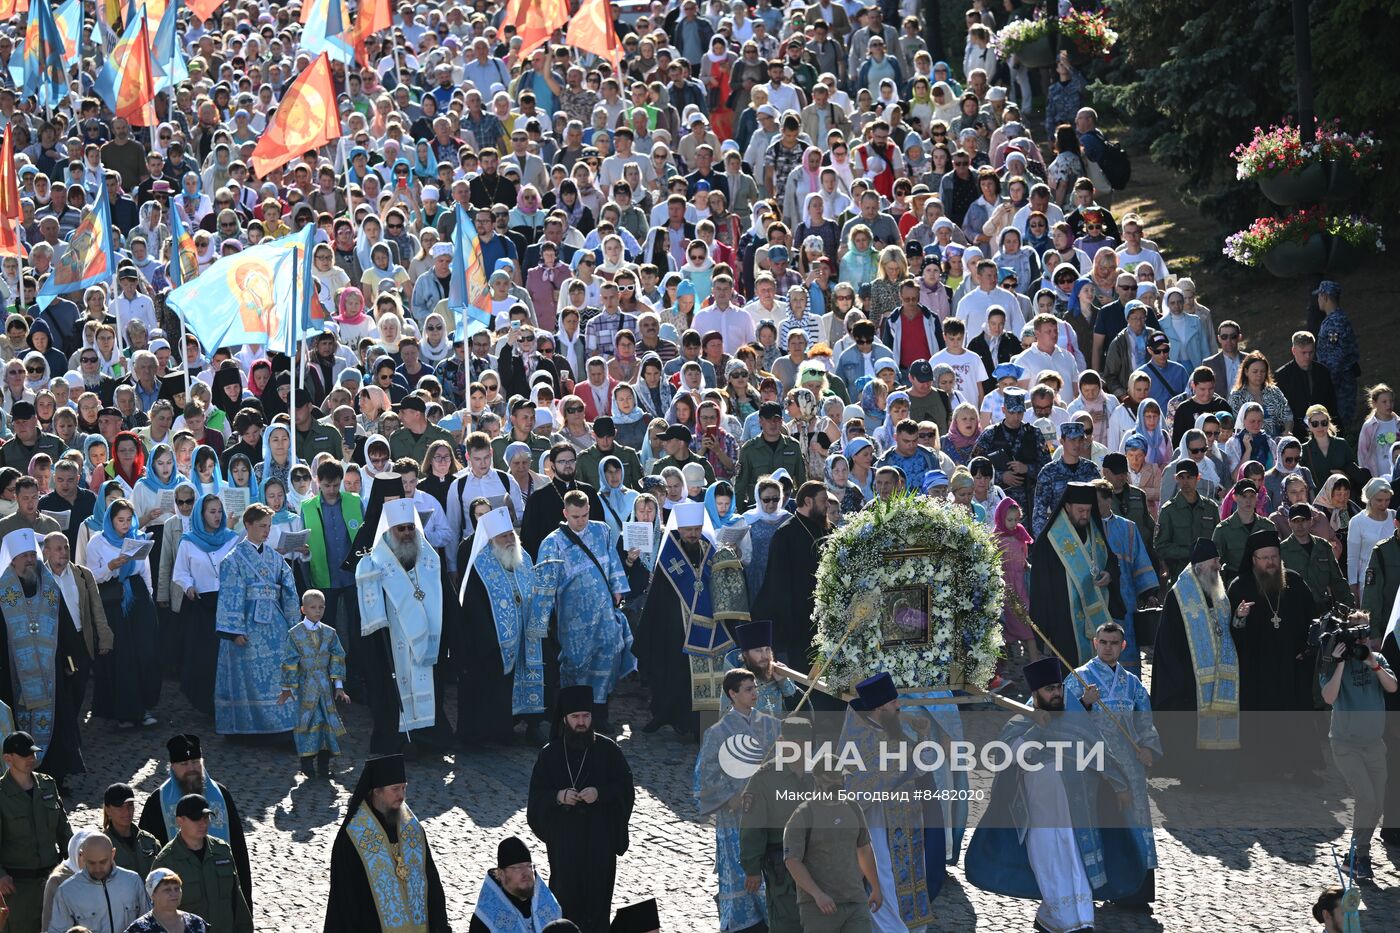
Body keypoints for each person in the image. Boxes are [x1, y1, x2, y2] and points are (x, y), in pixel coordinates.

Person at [965, 657, 1148, 933]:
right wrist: (1037, 726)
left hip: (1079, 811)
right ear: (1036, 694)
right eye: (1050, 689)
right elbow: (1007, 757)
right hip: (1040, 814)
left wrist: (1120, 786)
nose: (1057, 694)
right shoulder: (1020, 722)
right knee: (1049, 863)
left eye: (1059, 688)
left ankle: (1077, 919)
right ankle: (1062, 921)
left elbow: (1100, 752)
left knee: (1077, 863)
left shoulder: (1075, 720)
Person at [837, 672, 948, 933]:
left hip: (908, 821)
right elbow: (857, 784)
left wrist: (922, 736)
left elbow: (921, 767)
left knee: (910, 875)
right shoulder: (861, 739)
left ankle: (910, 927)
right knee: (884, 879)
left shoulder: (893, 731)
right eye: (894, 702)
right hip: (878, 825)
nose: (899, 706)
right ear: (879, 707)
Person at [1063, 621, 1162, 907]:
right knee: (1099, 823)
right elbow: (1062, 724)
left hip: (1130, 768)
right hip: (1093, 768)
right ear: (1095, 643)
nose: (1108, 648)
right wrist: (1083, 703)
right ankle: (1096, 887)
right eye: (1103, 642)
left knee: (1133, 823)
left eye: (1113, 643)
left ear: (1123, 646)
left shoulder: (1132, 683)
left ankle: (1134, 890)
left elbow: (1145, 720)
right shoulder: (1078, 679)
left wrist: (1147, 748)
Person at [526, 686, 636, 933]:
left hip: (601, 840)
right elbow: (536, 797)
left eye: (586, 716)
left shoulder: (608, 750)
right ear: (565, 719)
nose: (581, 722)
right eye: (576, 717)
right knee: (566, 899)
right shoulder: (550, 754)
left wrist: (600, 793)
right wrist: (558, 796)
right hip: (565, 841)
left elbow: (625, 789)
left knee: (598, 901)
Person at [532, 491, 636, 731]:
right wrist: (542, 621)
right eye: (576, 516)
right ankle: (573, 718)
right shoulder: (552, 543)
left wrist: (618, 590)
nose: (581, 520)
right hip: (573, 617)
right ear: (565, 513)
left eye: (585, 515)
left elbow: (613, 562)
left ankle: (600, 715)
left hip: (604, 613)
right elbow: (545, 585)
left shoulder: (602, 531)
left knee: (607, 657)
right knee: (577, 665)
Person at [355, 496, 448, 753]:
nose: (407, 534)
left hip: (427, 638)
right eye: (401, 529)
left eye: (411, 528)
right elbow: (369, 609)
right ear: (389, 531)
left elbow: (443, 600)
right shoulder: (375, 563)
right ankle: (400, 738)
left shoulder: (429, 559)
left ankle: (428, 737)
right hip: (393, 639)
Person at [694, 669, 781, 933]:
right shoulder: (718, 732)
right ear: (732, 694)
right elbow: (704, 778)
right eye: (747, 689)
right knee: (742, 874)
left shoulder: (769, 724)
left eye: (755, 688)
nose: (754, 693)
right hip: (735, 819)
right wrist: (730, 799)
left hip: (768, 816)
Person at [324, 754, 450, 932]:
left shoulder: (412, 829)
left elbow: (432, 880)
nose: (402, 796)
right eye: (395, 789)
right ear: (377, 791)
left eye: (404, 788)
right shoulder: (352, 837)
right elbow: (346, 898)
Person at [1227, 527, 1317, 776]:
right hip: (1257, 668)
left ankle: (1299, 768)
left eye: (1274, 556)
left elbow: (1313, 621)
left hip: (1291, 664)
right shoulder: (1240, 586)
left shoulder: (1295, 583)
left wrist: (1307, 650)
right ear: (1253, 560)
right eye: (1264, 557)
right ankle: (1260, 768)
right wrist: (1239, 617)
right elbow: (1229, 630)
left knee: (1294, 715)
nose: (1270, 562)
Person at [456, 506, 549, 748]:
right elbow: (473, 605)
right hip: (493, 639)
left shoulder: (524, 557)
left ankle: (532, 724)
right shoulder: (479, 564)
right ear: (491, 540)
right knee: (496, 685)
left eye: (511, 534)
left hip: (526, 636)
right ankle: (497, 730)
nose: (509, 540)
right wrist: (489, 637)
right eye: (503, 536)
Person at [0, 529, 86, 787]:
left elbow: (66, 626)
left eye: (31, 555)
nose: (29, 560)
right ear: (12, 560)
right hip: (13, 673)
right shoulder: (3, 591)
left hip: (51, 671)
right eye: (23, 556)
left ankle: (55, 776)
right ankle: (18, 776)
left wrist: (71, 660)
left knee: (58, 722)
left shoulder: (48, 585)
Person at [1150, 539, 1241, 781]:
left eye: (1219, 562)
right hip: (1190, 678)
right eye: (1214, 564)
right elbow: (1168, 642)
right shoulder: (1179, 595)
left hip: (1218, 675)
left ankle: (1218, 773)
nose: (1219, 567)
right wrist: (1181, 676)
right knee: (1191, 730)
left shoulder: (1219, 592)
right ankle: (1192, 774)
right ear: (1200, 567)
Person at [1319, 608, 1396, 879]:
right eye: (1356, 634)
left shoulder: (1378, 659)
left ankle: (1356, 856)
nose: (1362, 639)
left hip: (1374, 744)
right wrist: (1340, 663)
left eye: (1365, 633)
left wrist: (1372, 662)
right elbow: (1329, 697)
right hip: (1345, 744)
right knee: (1366, 798)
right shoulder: (1331, 662)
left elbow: (1392, 686)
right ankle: (1359, 854)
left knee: (1376, 804)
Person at [636, 500, 723, 737]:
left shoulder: (710, 551)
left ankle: (701, 724)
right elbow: (658, 599)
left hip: (707, 627)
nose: (693, 534)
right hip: (675, 630)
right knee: (675, 676)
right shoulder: (669, 555)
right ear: (679, 529)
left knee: (706, 678)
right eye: (688, 530)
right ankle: (670, 716)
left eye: (697, 529)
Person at [137, 734, 252, 905]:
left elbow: (238, 849)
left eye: (196, 762)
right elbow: (148, 856)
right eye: (184, 764)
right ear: (172, 767)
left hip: (221, 893)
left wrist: (245, 900)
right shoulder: (158, 802)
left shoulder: (222, 796)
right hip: (181, 897)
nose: (191, 768)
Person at [214, 503, 298, 736]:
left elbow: (289, 591)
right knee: (247, 676)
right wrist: (234, 630)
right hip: (246, 626)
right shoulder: (233, 559)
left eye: (269, 526)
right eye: (262, 526)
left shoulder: (275, 558)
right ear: (247, 525)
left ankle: (283, 725)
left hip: (276, 626)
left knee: (278, 674)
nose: (267, 531)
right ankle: (247, 728)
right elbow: (231, 593)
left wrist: (294, 625)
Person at [782, 754, 882, 933]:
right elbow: (792, 861)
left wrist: (875, 887)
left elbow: (864, 849)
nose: (838, 783)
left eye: (840, 778)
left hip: (855, 902)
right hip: (819, 908)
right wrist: (817, 895)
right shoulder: (803, 815)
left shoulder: (853, 808)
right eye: (831, 779)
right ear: (816, 780)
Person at [1028, 482, 1123, 666]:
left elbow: (1111, 559)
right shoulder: (1050, 540)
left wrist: (1109, 575)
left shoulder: (1094, 532)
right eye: (1080, 510)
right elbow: (1040, 588)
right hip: (1064, 620)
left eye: (1088, 510)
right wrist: (1044, 628)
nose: (1085, 515)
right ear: (1067, 507)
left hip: (1098, 615)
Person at [0, 730, 73, 933]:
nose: (31, 758)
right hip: (18, 890)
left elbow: (64, 829)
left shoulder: (48, 785)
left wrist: (76, 858)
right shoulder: (1, 794)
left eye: (33, 753)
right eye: (25, 755)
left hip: (52, 881)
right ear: (8, 758)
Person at [149, 792, 253, 933]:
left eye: (206, 817)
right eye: (195, 818)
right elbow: (157, 913)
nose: (203, 823)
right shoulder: (166, 861)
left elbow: (237, 899)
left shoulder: (222, 851)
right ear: (180, 821)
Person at [754, 481, 830, 670]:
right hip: (798, 620)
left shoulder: (828, 530)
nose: (827, 505)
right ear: (808, 501)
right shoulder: (785, 534)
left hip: (826, 616)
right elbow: (777, 584)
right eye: (823, 501)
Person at [278, 589, 351, 780]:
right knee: (309, 723)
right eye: (313, 607)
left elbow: (337, 657)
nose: (317, 611)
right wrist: (287, 688)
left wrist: (339, 687)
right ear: (303, 609)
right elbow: (289, 661)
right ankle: (307, 764)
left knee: (326, 724)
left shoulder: (329, 633)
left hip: (325, 688)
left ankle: (324, 765)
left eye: (321, 607)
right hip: (306, 687)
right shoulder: (295, 634)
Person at [48, 832, 147, 933]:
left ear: (113, 854)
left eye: (103, 862)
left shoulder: (133, 881)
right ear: (82, 856)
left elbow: (149, 923)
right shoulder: (66, 891)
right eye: (91, 863)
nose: (98, 868)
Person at [519, 443, 606, 558]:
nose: (568, 465)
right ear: (552, 465)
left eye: (571, 461)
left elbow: (599, 530)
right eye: (562, 462)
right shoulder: (538, 498)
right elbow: (529, 541)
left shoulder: (588, 492)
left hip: (587, 559)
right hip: (554, 561)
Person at [468, 836, 563, 933]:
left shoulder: (550, 906)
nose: (526, 873)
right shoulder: (485, 919)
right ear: (501, 874)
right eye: (518, 868)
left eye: (529, 866)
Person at [723, 619, 797, 716]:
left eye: (767, 650)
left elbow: (798, 708)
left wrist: (783, 682)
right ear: (746, 654)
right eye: (758, 651)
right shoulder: (734, 681)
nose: (765, 656)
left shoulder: (778, 672)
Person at [123, 868, 209, 933]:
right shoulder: (139, 928)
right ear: (153, 895)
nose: (174, 893)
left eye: (177, 888)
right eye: (167, 890)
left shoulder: (196, 923)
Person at [101, 783, 160, 879]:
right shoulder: (102, 845)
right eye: (120, 806)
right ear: (108, 810)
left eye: (130, 805)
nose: (127, 811)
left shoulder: (149, 841)